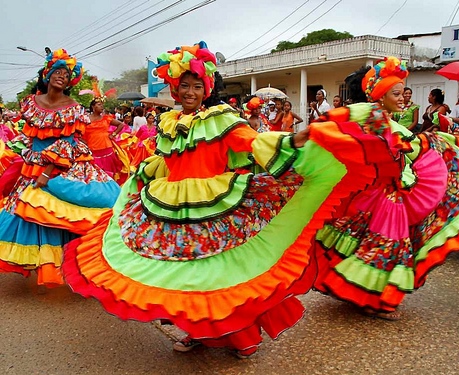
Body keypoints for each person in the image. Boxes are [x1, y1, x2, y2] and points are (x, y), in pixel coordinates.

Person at [61, 42, 400, 359]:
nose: (190, 92)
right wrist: (141, 174)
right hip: (169, 206)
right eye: (185, 86)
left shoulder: (222, 120)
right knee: (185, 275)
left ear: (206, 89)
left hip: (215, 205)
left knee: (223, 273)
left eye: (197, 86)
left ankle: (242, 336)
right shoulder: (168, 123)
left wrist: (300, 137)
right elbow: (165, 160)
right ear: (174, 88)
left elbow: (257, 144)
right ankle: (197, 330)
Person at [312, 57, 459, 321]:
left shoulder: (386, 118)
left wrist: (436, 139)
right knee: (384, 244)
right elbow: (343, 122)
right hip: (386, 194)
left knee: (371, 242)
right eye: (396, 93)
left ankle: (364, 293)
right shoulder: (374, 115)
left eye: (403, 92)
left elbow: (409, 144)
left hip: (389, 190)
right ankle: (375, 299)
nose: (402, 98)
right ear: (380, 96)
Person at [0, 49, 120, 288]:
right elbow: (29, 136)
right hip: (32, 166)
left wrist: (46, 172)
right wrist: (19, 155)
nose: (61, 76)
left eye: (66, 74)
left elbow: (68, 143)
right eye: (58, 72)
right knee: (28, 214)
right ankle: (41, 263)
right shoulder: (31, 103)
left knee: (55, 214)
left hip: (59, 167)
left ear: (70, 81)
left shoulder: (73, 108)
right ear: (47, 74)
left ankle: (63, 267)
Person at [83, 98, 130, 184]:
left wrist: (113, 134)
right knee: (95, 175)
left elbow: (121, 124)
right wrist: (84, 143)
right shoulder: (85, 119)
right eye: (99, 104)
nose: (102, 106)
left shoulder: (106, 118)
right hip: (92, 149)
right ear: (93, 107)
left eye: (102, 105)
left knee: (109, 173)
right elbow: (78, 133)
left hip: (107, 148)